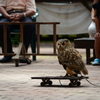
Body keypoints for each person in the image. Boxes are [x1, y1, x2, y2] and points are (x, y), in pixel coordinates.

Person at [91, 0, 100, 65]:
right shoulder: (97, 5)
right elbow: (97, 19)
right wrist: (97, 31)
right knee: (97, 37)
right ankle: (97, 58)